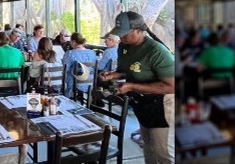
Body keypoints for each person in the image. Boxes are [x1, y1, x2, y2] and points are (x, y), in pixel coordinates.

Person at [99, 12, 175, 164]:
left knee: (162, 150)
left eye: (125, 33)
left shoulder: (156, 51)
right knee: (148, 145)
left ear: (138, 31)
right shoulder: (124, 46)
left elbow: (172, 86)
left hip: (161, 105)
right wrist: (113, 75)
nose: (121, 37)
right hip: (142, 102)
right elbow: (126, 70)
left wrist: (132, 86)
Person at [62, 33, 98, 98]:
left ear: (73, 42)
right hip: (90, 83)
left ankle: (67, 98)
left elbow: (64, 69)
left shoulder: (70, 53)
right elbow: (95, 67)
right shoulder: (92, 52)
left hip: (75, 84)